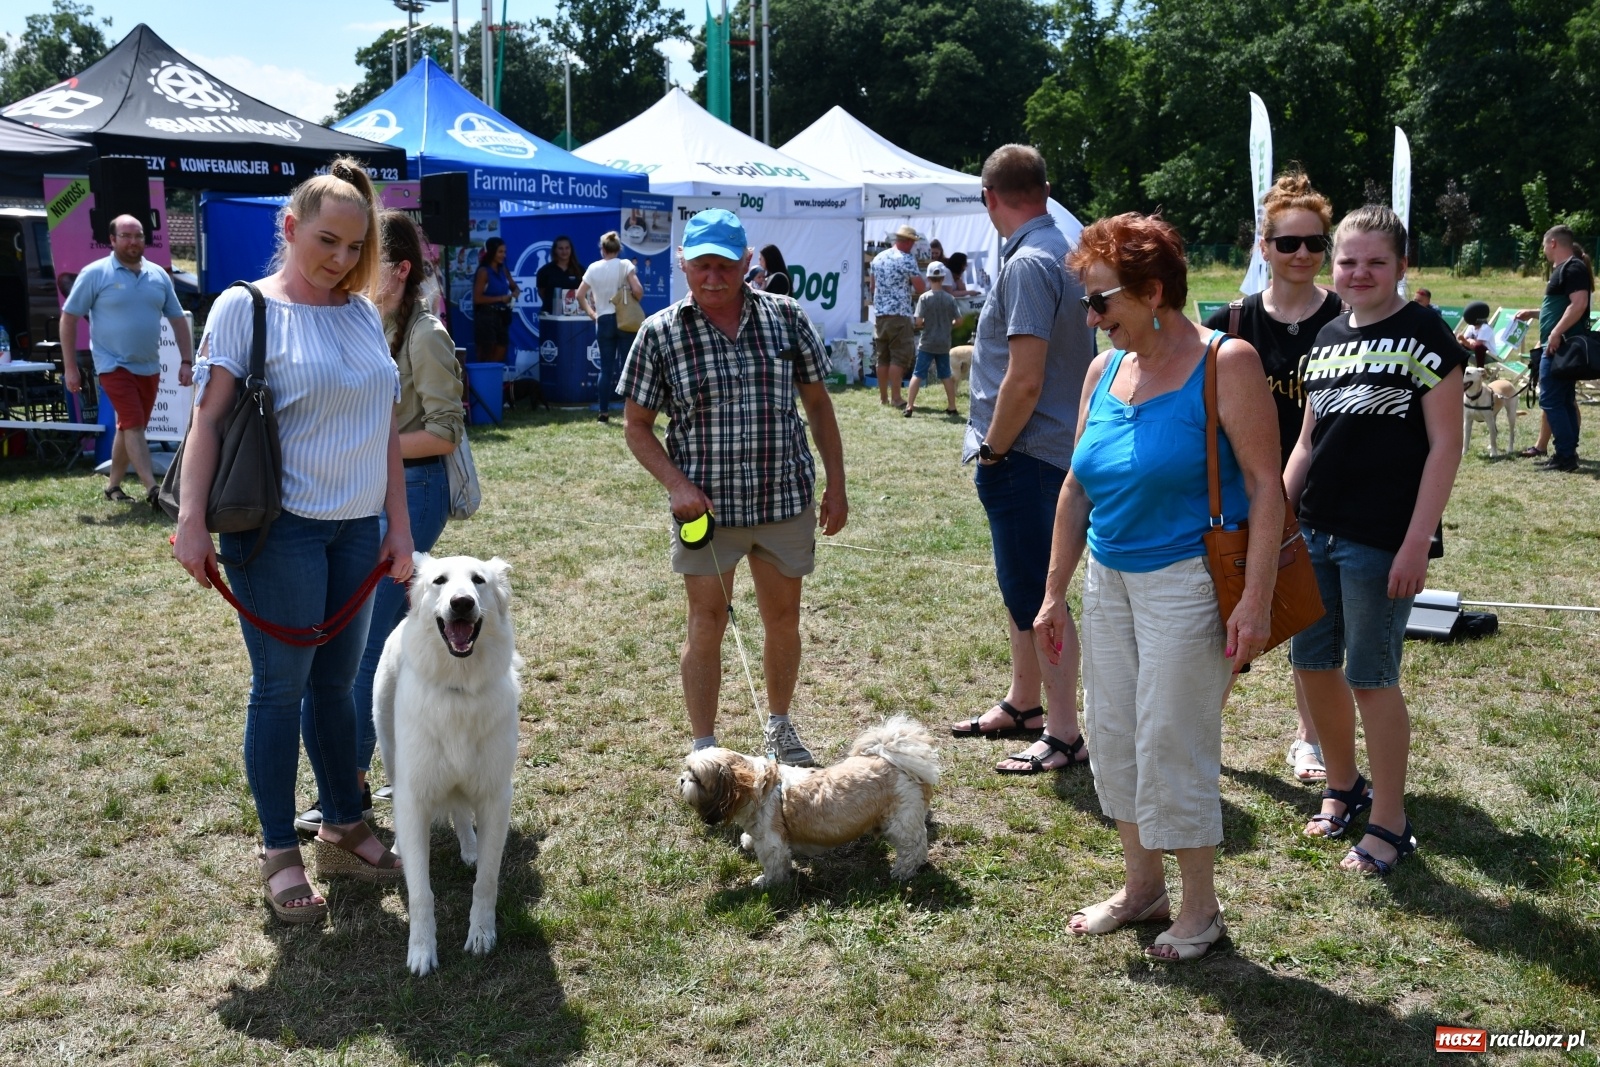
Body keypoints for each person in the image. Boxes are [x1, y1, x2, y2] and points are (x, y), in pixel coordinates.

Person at [172, 158, 414, 924]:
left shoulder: (358, 312)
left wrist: (397, 528)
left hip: (357, 529)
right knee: (281, 688)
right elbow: (207, 422)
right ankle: (279, 846)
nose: (341, 258)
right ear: (289, 227)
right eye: (327, 240)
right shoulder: (244, 308)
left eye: (355, 245)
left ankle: (343, 817)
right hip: (277, 530)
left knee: (339, 686)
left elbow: (384, 432)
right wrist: (187, 518)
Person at [1036, 211, 1282, 961]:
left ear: (1151, 292)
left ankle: (1201, 909)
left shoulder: (1225, 361)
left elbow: (1267, 489)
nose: (1091, 316)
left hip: (1189, 581)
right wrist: (1054, 591)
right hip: (1110, 578)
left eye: (1100, 301)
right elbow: (1077, 486)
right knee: (1112, 734)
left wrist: (1256, 598)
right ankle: (1143, 889)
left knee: (1173, 737)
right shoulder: (1102, 369)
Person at [618, 208, 848, 767]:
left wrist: (837, 485)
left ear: (748, 263)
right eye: (701, 266)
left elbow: (817, 404)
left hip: (782, 499)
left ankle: (780, 728)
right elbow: (637, 425)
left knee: (783, 619)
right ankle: (704, 747)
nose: (713, 278)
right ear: (683, 264)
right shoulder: (660, 332)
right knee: (706, 623)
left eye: (726, 266)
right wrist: (675, 484)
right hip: (707, 510)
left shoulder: (786, 317)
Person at [1289, 204, 1464, 876]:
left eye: (1375, 261)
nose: (1359, 272)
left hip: (1380, 540)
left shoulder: (1425, 334)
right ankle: (1343, 786)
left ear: (1401, 266)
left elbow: (1446, 444)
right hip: (1314, 533)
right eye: (1348, 260)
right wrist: (1279, 520)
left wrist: (1418, 540)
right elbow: (1308, 440)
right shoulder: (1327, 336)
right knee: (1311, 665)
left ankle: (1390, 818)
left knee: (1371, 676)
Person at [293, 209, 464, 835]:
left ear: (399, 269)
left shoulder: (423, 333)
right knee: (367, 651)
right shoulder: (369, 326)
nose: (352, 271)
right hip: (381, 492)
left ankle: (352, 792)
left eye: (366, 259)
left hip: (415, 494)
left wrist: (376, 439)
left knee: (365, 653)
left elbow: (446, 433)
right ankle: (361, 784)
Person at [948, 144, 1093, 778]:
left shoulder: (1030, 262)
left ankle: (1063, 733)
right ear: (1045, 187)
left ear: (988, 198)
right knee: (1023, 591)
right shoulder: (1055, 249)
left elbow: (1024, 378)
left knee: (1040, 596)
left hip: (1029, 456)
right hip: (1040, 455)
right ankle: (1026, 705)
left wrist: (995, 448)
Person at [1203, 169, 1343, 784]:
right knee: (1228, 616)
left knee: (1313, 623)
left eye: (1316, 243)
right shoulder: (1232, 321)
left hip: (1322, 495)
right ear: (1264, 248)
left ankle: (1308, 739)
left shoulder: (1347, 318)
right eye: (1288, 243)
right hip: (1242, 494)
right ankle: (1202, 732)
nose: (1303, 255)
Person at [60, 214, 193, 507]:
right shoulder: (95, 274)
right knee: (133, 425)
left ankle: (113, 486)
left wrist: (186, 360)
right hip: (113, 365)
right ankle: (154, 491)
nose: (133, 242)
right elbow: (69, 318)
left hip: (149, 365)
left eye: (139, 236)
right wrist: (71, 367)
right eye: (126, 236)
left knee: (129, 426)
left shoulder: (158, 275)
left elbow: (177, 319)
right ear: (112, 240)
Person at [1513, 225, 1592, 472]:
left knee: (1551, 400)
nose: (1544, 250)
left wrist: (1556, 333)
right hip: (1556, 344)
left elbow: (1578, 305)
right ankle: (1566, 453)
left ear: (1554, 243)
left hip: (1559, 346)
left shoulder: (1573, 267)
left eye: (1545, 245)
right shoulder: (1564, 269)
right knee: (1563, 399)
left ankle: (1565, 455)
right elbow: (1561, 307)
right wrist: (1534, 313)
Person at [576, 231, 644, 424]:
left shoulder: (593, 268)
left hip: (603, 319)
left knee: (606, 369)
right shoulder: (625, 265)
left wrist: (592, 314)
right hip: (624, 319)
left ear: (602, 249)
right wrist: (633, 301)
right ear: (618, 248)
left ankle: (603, 413)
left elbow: (580, 294)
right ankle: (629, 413)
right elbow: (638, 290)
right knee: (627, 368)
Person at [869, 223, 927, 408]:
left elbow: (872, 287)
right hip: (900, 314)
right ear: (908, 242)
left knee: (882, 356)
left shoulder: (877, 258)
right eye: (912, 242)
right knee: (899, 357)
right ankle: (896, 398)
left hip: (880, 314)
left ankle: (883, 398)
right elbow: (920, 287)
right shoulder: (906, 259)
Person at [904, 261, 960, 417]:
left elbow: (918, 321)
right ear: (943, 278)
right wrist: (950, 325)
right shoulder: (950, 299)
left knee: (918, 373)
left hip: (927, 342)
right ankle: (952, 406)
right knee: (945, 375)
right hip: (943, 343)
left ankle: (909, 406)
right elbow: (959, 320)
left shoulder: (924, 298)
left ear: (928, 278)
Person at [472, 237, 520, 362]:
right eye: (500, 252)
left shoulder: (503, 269)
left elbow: (514, 286)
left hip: (502, 316)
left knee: (501, 349)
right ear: (491, 252)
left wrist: (515, 293)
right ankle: (484, 380)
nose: (503, 255)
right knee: (487, 353)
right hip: (486, 317)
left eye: (504, 252)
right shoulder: (483, 272)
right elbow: (477, 299)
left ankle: (495, 379)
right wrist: (501, 298)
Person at [536, 235, 584, 314]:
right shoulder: (545, 271)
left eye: (567, 248)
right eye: (560, 248)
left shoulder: (580, 270)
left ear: (571, 250)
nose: (564, 251)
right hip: (551, 314)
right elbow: (541, 292)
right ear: (555, 250)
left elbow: (584, 292)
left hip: (575, 315)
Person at [1455, 300, 1493, 367]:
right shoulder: (1471, 326)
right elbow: (1464, 342)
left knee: (1479, 347)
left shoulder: (1485, 328)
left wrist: (1465, 340)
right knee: (1460, 345)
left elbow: (1476, 346)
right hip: (1476, 353)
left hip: (1489, 355)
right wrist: (1468, 341)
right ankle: (1463, 367)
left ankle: (1480, 369)